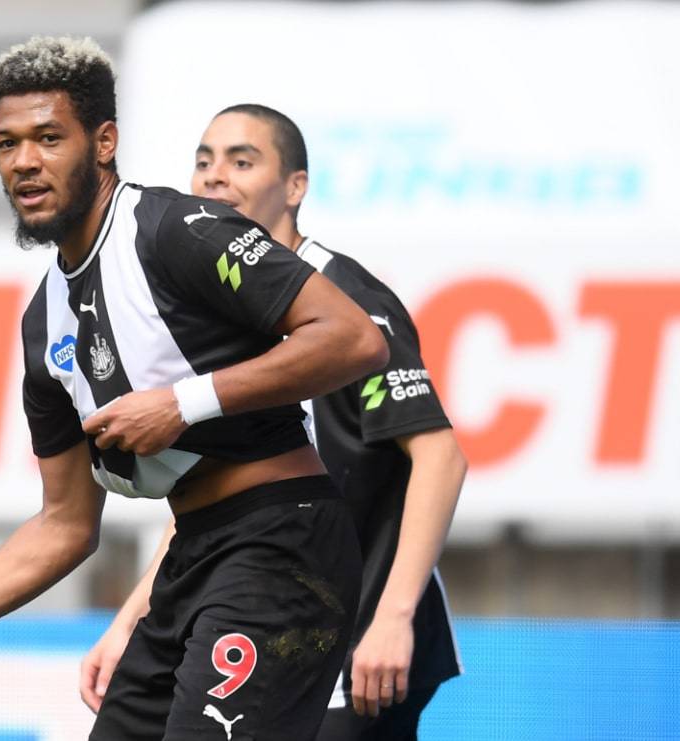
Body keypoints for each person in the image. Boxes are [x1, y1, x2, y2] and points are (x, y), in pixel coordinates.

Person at [0, 37, 389, 739]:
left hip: (283, 546)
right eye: (7, 143)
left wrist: (183, 403)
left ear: (104, 141)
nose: (25, 161)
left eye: (49, 138)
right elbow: (64, 523)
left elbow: (352, 337)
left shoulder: (177, 230)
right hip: (191, 556)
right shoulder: (41, 323)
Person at [79, 104, 468, 740]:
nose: (214, 177)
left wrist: (394, 615)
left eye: (241, 160)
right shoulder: (218, 313)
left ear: (295, 187)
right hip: (262, 606)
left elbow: (440, 457)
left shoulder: (347, 302)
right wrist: (130, 619)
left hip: (361, 629)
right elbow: (215, 497)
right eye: (203, 161)